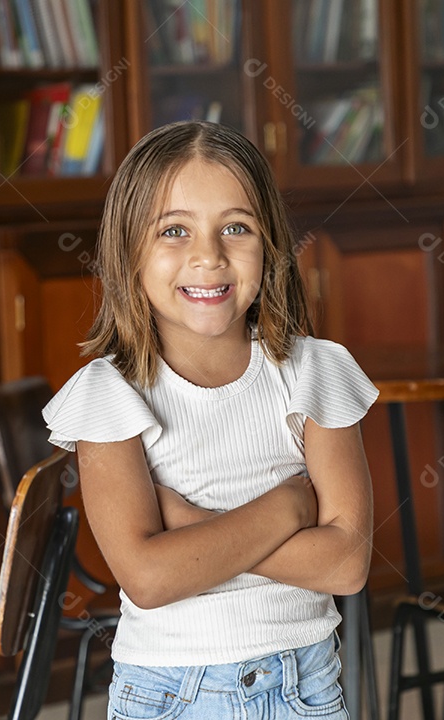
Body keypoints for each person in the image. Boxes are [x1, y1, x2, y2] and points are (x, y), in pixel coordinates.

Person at [43, 120, 377, 720]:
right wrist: (288, 510)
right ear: (128, 252)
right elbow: (148, 578)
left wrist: (189, 524)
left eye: (235, 227)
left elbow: (346, 564)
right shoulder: (108, 393)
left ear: (269, 243)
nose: (208, 256)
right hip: (169, 693)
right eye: (174, 230)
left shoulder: (315, 373)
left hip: (305, 685)